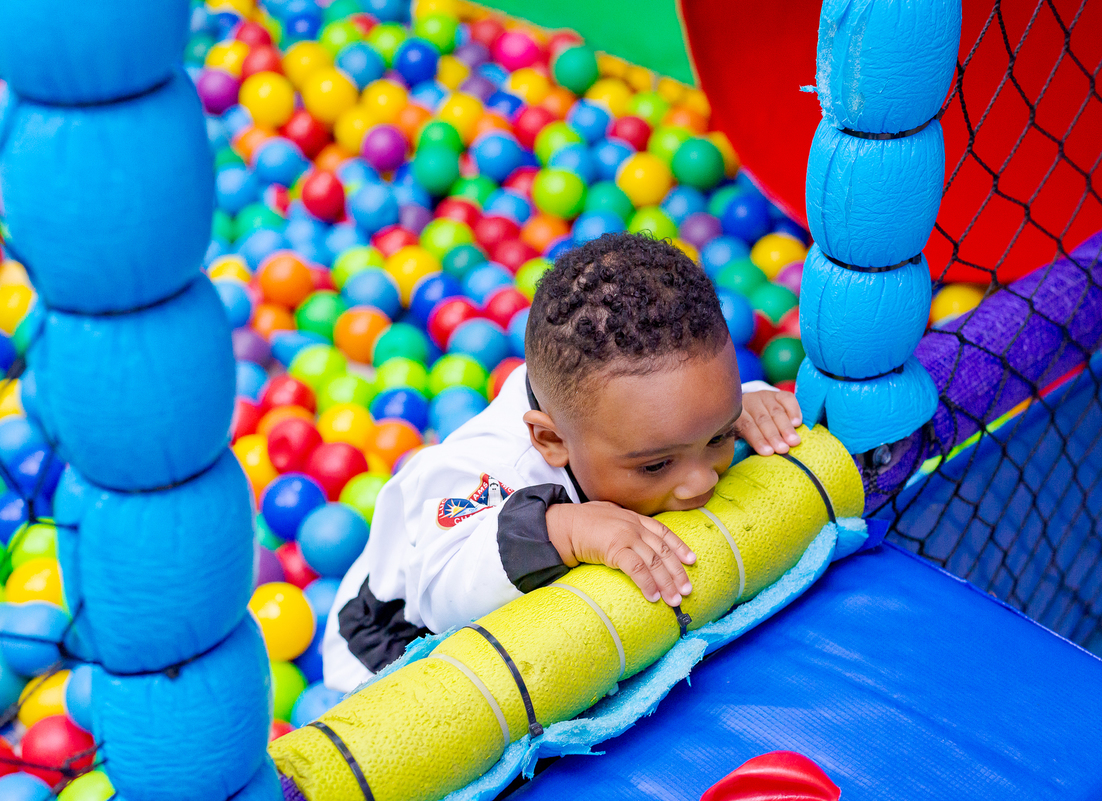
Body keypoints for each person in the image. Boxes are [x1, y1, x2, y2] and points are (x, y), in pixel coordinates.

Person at [322, 232, 804, 693]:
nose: (699, 480)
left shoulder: (628, 418)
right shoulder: (491, 469)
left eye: (719, 435)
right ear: (551, 440)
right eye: (657, 466)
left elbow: (689, 415)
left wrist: (752, 405)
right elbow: (444, 594)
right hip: (391, 641)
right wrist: (564, 529)